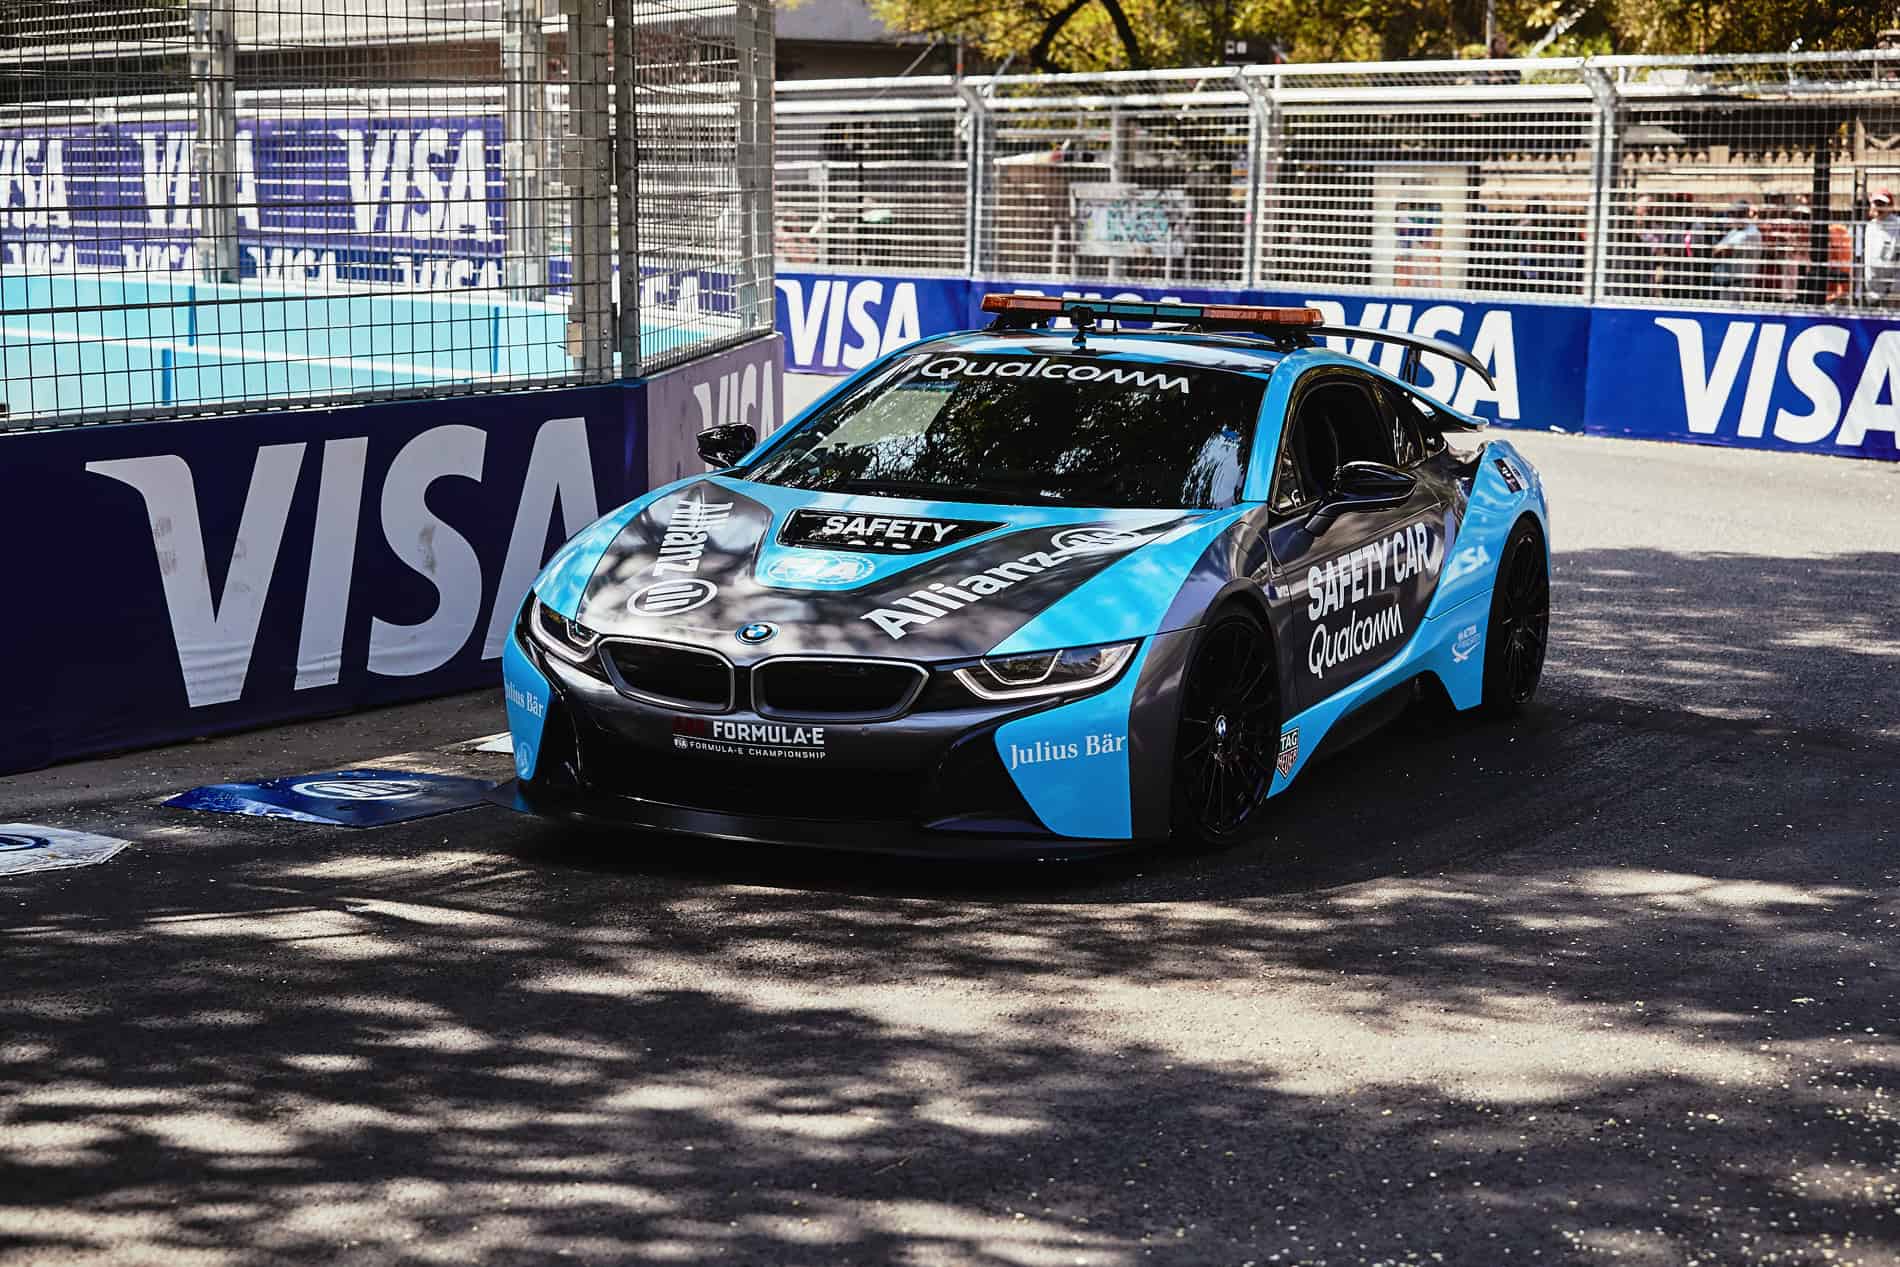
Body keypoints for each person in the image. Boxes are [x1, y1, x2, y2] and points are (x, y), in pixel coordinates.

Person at [1709, 200, 1762, 303]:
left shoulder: (1751, 233)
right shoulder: (1734, 232)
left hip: (1740, 287)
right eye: (1732, 213)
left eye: (1738, 213)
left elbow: (1722, 253)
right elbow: (1714, 251)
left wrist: (1718, 249)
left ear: (1746, 214)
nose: (1733, 217)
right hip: (1728, 285)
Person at [1864, 188, 1900, 304]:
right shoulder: (1870, 226)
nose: (1878, 207)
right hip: (1871, 292)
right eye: (1875, 203)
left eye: (1882, 204)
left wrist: (1893, 291)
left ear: (1890, 206)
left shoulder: (1897, 226)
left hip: (1892, 293)